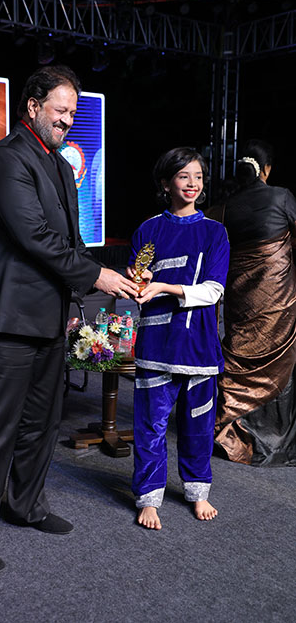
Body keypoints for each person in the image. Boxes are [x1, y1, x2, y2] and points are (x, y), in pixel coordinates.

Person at [0, 65, 138, 573]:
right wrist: (97, 275)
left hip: (51, 318)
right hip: (10, 320)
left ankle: (25, 505)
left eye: (73, 112)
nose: (68, 119)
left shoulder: (58, 164)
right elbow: (33, 236)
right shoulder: (8, 157)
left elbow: (71, 240)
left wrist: (95, 287)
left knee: (42, 423)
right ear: (32, 106)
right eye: (60, 109)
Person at [128, 147, 229, 530]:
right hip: (156, 345)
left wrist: (164, 287)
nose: (192, 184)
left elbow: (213, 291)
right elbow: (140, 282)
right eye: (184, 176)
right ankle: (148, 497)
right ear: (166, 182)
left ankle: (198, 491)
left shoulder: (215, 232)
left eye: (198, 176)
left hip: (199, 347)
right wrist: (139, 284)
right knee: (150, 426)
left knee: (198, 426)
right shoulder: (148, 230)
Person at [210, 140, 296, 465]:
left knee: (240, 354)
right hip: (278, 300)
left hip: (241, 300)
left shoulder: (223, 208)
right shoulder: (282, 197)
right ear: (266, 169)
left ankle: (235, 430)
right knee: (281, 363)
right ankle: (278, 438)